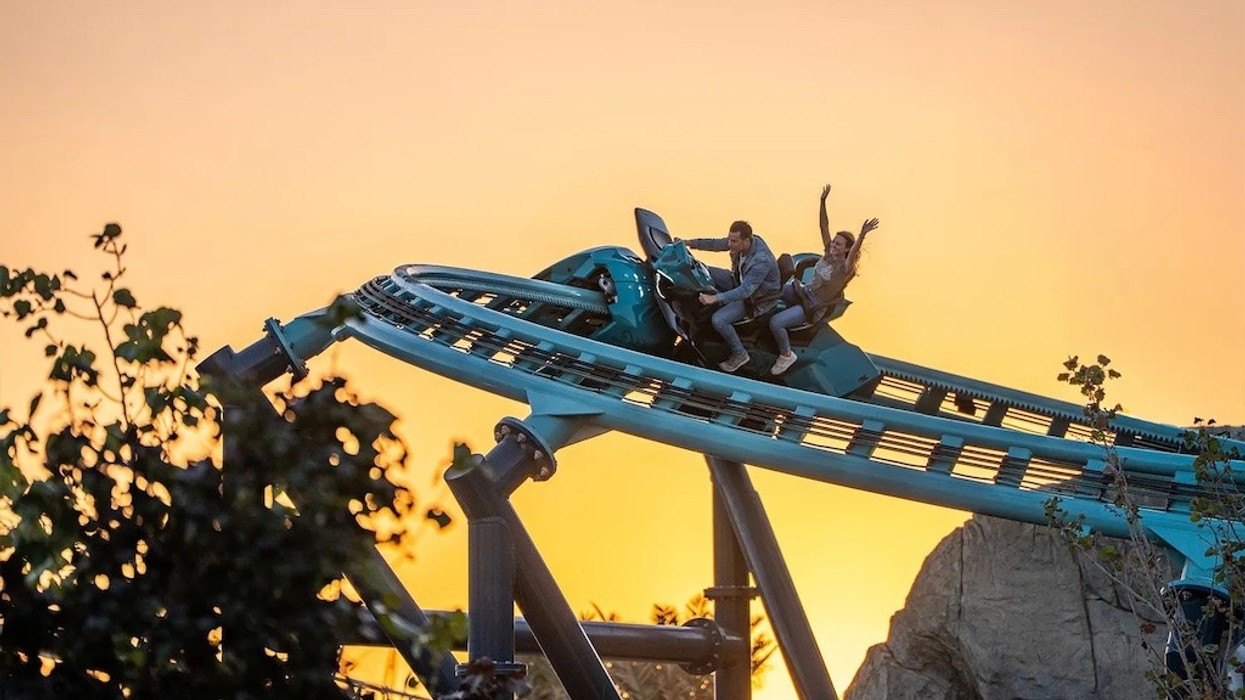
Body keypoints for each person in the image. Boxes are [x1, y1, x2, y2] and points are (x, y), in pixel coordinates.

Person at [768, 185, 879, 375]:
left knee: (776, 323)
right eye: (834, 242)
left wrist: (862, 234)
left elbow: (853, 253)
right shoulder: (828, 254)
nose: (833, 245)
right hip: (803, 291)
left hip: (812, 305)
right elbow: (824, 226)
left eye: (838, 244)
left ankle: (786, 355)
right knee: (770, 288)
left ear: (846, 249)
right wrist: (822, 201)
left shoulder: (845, 268)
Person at [685, 220, 782, 372]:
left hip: (754, 300)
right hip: (739, 279)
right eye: (729, 239)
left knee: (719, 320)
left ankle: (740, 354)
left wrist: (715, 298)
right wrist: (689, 243)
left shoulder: (761, 261)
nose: (729, 244)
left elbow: (745, 291)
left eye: (734, 241)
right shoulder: (746, 241)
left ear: (746, 241)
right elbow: (718, 244)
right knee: (703, 271)